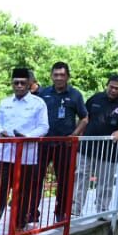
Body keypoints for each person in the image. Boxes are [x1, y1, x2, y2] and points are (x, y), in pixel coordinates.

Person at [0, 68, 48, 235]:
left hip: (26, 155)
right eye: (16, 82)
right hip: (5, 154)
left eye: (23, 83)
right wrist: (0, 131)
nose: (19, 86)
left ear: (30, 84)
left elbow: (44, 127)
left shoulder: (38, 103)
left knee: (23, 190)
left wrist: (28, 137)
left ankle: (19, 224)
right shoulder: (5, 102)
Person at [72, 75, 118, 217]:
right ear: (107, 85)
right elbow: (83, 117)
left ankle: (102, 210)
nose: (113, 90)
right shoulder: (95, 98)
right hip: (87, 147)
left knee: (106, 182)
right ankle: (75, 209)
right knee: (81, 177)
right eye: (111, 87)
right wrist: (77, 134)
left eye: (117, 88)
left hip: (108, 151)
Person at [35, 62, 88, 222]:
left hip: (65, 144)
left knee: (64, 180)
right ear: (51, 75)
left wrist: (74, 134)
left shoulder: (75, 95)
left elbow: (84, 118)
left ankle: (61, 212)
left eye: (62, 75)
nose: (58, 78)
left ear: (67, 77)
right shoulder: (43, 93)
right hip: (43, 143)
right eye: (56, 75)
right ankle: (31, 213)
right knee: (36, 178)